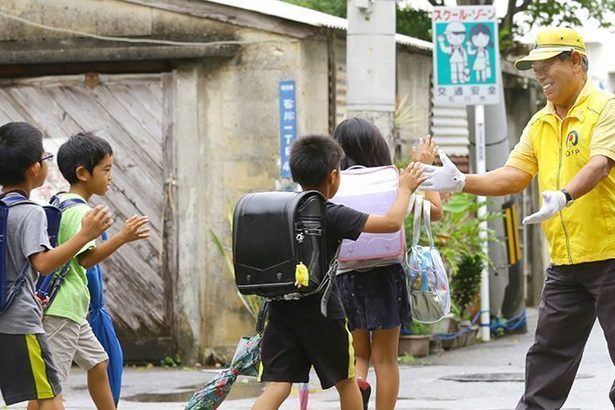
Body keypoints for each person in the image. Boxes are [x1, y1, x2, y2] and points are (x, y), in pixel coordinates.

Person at [419, 27, 615, 409]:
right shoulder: (540, 122)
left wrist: (564, 194)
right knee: (547, 355)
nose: (539, 75)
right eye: (534, 68)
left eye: (546, 66)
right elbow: (513, 175)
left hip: (611, 254)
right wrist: (461, 182)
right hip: (566, 262)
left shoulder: (605, 108)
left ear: (575, 61)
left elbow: (601, 162)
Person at [252, 135, 426, 410]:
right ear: (333, 176)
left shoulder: (282, 208)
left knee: (278, 386)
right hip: (322, 313)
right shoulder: (329, 213)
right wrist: (404, 189)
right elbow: (392, 223)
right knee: (345, 381)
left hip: (281, 310)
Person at [28, 132, 150, 410]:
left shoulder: (61, 201)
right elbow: (86, 260)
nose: (110, 177)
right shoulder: (82, 213)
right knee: (50, 387)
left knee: (99, 362)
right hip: (62, 308)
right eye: (106, 169)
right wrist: (122, 237)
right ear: (83, 173)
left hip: (70, 308)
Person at [0, 122, 112, 409]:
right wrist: (85, 235)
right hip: (21, 320)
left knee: (46, 387)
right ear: (35, 169)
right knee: (50, 393)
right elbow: (44, 264)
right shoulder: (30, 212)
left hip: (11, 316)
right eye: (45, 158)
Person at [332, 118, 442, 410]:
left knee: (360, 354)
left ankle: (359, 385)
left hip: (346, 277)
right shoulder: (395, 183)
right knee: (386, 358)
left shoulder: (335, 186)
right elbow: (435, 212)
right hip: (386, 276)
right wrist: (425, 168)